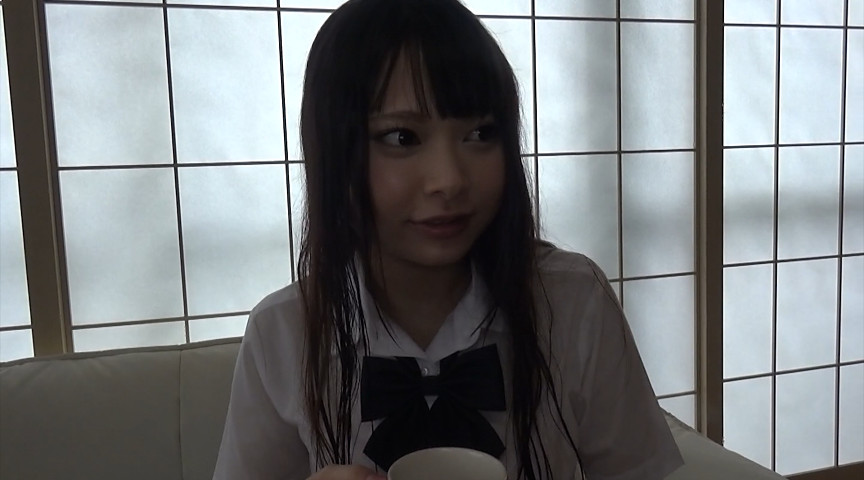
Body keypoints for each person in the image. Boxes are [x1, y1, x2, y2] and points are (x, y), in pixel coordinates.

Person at [213, 0, 684, 479]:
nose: (449, 180)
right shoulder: (283, 332)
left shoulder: (572, 301)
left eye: (480, 133)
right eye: (402, 138)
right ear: (334, 149)